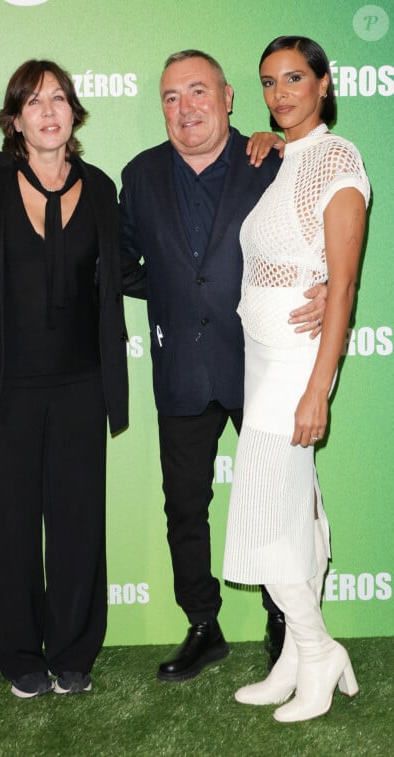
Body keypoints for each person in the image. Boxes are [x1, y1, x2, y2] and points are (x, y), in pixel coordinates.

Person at [120, 49, 327, 682]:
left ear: (229, 96)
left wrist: (321, 284)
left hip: (262, 362)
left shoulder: (270, 161)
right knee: (184, 506)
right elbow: (126, 261)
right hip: (181, 365)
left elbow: (316, 238)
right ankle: (202, 625)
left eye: (197, 92)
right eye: (171, 97)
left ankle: (286, 617)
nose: (185, 108)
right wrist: (173, 294)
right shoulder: (140, 173)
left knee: (278, 499)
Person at [0, 59, 128, 699]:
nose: (48, 111)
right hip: (7, 383)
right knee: (10, 524)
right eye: (33, 102)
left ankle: (76, 650)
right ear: (14, 119)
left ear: (74, 113)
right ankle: (21, 656)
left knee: (80, 521)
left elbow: (124, 271)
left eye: (58, 98)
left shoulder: (103, 187)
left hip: (83, 382)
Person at [223, 36, 370, 722]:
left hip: (296, 362)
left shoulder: (339, 160)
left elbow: (342, 288)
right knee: (291, 506)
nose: (281, 93)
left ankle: (316, 651)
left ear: (323, 81)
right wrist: (270, 142)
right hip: (261, 352)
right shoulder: (285, 155)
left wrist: (320, 384)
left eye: (293, 78)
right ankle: (292, 659)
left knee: (265, 507)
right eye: (269, 82)